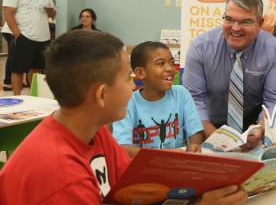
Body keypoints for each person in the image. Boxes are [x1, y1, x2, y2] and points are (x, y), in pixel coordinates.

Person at [0, 30, 247, 205]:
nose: (132, 87)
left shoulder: (93, 133)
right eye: (128, 78)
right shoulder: (62, 176)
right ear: (102, 94)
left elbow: (132, 191)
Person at [183, 0, 276, 147]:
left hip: (253, 132)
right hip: (207, 128)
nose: (235, 28)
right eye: (229, 19)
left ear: (260, 23)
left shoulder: (275, 51)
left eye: (245, 22)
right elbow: (193, 99)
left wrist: (261, 127)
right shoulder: (201, 47)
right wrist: (212, 134)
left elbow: (273, 101)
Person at [113, 41, 204, 157]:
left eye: (172, 63)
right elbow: (123, 148)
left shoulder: (181, 93)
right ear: (140, 73)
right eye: (161, 64)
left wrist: (194, 144)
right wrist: (163, 155)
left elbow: (195, 130)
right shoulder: (127, 103)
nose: (170, 68)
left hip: (177, 164)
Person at [3, 0, 56, 95]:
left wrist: (51, 12)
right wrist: (17, 34)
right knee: (18, 69)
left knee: (36, 68)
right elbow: (8, 13)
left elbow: (52, 14)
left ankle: (33, 96)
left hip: (42, 36)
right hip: (23, 35)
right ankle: (18, 97)